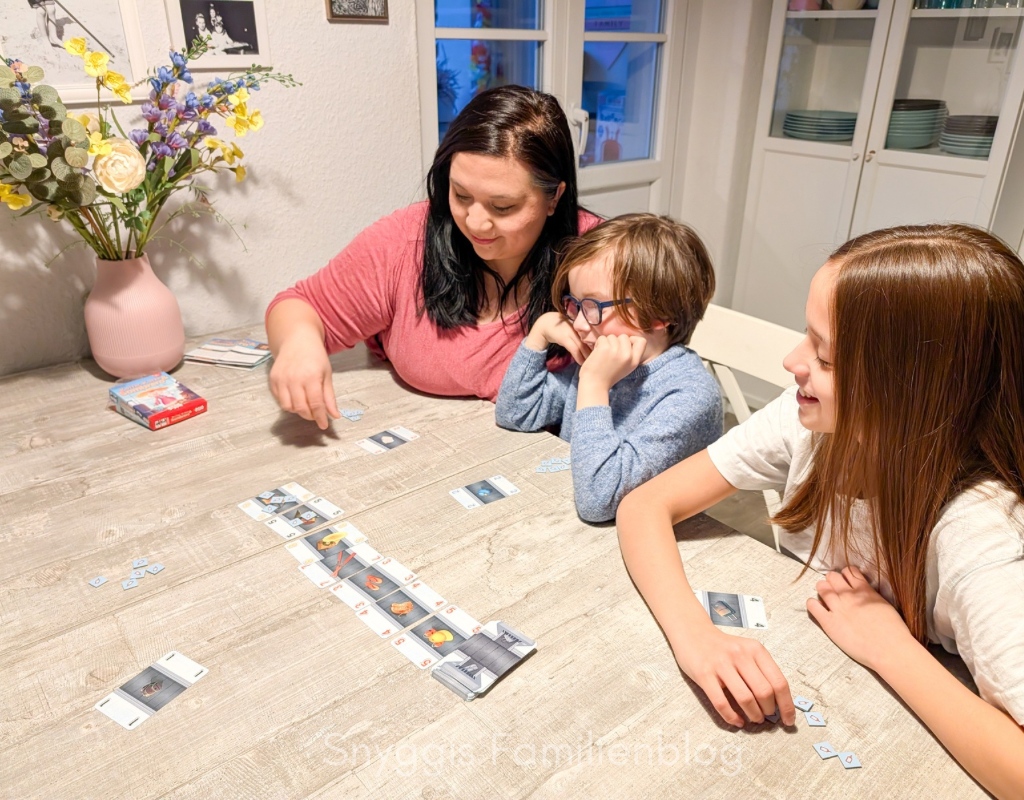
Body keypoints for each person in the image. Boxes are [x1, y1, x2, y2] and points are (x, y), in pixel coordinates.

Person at [615, 223, 1024, 797]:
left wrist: (891, 647)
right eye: (806, 337)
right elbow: (644, 505)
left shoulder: (981, 535)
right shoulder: (811, 422)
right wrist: (697, 639)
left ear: (916, 388)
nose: (792, 361)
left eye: (825, 357)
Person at [266, 85, 601, 428]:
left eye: (503, 207)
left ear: (554, 198)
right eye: (461, 195)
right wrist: (298, 345)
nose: (475, 222)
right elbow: (298, 305)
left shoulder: (604, 257)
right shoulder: (407, 238)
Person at [495, 214, 722, 522]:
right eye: (573, 303)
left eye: (593, 307)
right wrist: (539, 333)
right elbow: (516, 414)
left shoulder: (689, 396)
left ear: (658, 314)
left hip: (651, 545)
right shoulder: (602, 356)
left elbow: (599, 501)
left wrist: (594, 385)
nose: (576, 323)